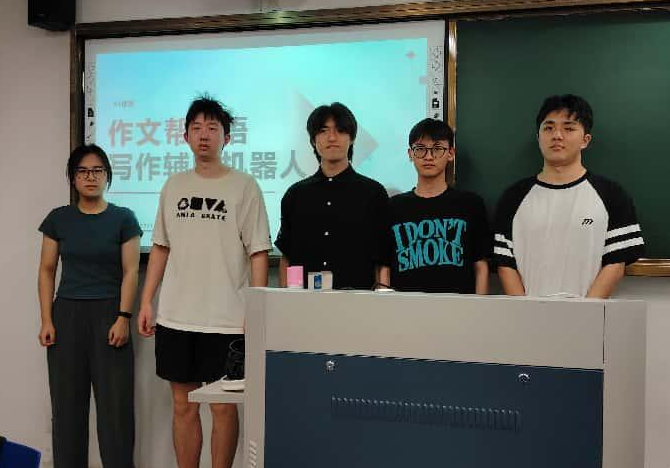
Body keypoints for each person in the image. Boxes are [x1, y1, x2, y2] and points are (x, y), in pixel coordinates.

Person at [137, 95, 271, 468]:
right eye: (196, 128)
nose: (204, 135)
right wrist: (147, 300)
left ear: (227, 137)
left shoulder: (244, 186)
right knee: (183, 406)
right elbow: (160, 247)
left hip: (226, 320)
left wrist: (255, 310)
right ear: (185, 137)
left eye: (213, 128)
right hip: (176, 317)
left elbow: (258, 252)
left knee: (223, 407)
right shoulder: (173, 185)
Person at [37, 144, 141, 468]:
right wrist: (46, 320)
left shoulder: (123, 218)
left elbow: (131, 271)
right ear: (73, 178)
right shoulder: (58, 219)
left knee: (115, 410)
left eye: (97, 170)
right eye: (82, 171)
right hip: (66, 316)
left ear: (107, 176)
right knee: (67, 408)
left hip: (110, 315)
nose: (90, 177)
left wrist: (123, 317)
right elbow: (47, 270)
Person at [493, 94, 644, 298]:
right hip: (526, 314)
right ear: (538, 137)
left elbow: (616, 263)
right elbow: (505, 264)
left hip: (589, 314)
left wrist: (585, 311)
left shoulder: (612, 195)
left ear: (585, 140)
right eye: (548, 128)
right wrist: (526, 311)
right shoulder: (513, 197)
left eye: (569, 128)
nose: (557, 135)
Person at [275, 102, 388, 289]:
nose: (332, 137)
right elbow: (287, 256)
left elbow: (382, 258)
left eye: (340, 130)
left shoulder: (373, 193)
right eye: (323, 131)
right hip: (304, 300)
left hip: (359, 300)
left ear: (352, 138)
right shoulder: (296, 195)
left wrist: (382, 297)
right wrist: (285, 299)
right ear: (313, 140)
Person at [379, 118, 491, 293]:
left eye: (437, 149)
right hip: (404, 306)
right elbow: (385, 267)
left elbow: (481, 266)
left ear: (451, 153)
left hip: (458, 307)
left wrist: (479, 306)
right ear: (410, 154)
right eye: (420, 149)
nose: (428, 156)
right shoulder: (394, 206)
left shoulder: (470, 204)